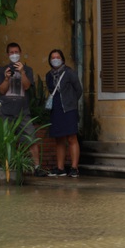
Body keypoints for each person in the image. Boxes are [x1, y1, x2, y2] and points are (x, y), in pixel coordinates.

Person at [0, 42, 47, 177]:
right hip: (5, 111)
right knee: (6, 140)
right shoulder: (2, 70)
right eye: (11, 53)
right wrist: (6, 78)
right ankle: (6, 168)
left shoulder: (27, 69)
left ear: (20, 52)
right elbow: (1, 90)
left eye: (16, 52)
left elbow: (27, 86)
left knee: (31, 138)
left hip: (23, 111)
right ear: (7, 55)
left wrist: (22, 72)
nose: (14, 55)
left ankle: (37, 167)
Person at [45, 49, 83, 178]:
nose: (55, 59)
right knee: (59, 139)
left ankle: (74, 168)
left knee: (72, 137)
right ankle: (60, 168)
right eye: (53, 57)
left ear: (62, 59)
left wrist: (71, 102)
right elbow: (51, 89)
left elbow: (78, 89)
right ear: (50, 60)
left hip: (69, 109)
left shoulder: (69, 73)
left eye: (58, 57)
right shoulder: (48, 75)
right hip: (56, 109)